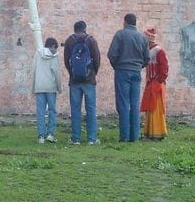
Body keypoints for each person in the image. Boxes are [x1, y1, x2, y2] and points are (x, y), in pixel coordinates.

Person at [107, 13, 150, 142]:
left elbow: (111, 54)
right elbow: (147, 58)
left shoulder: (120, 34)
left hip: (122, 71)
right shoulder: (142, 38)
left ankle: (124, 136)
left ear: (125, 22)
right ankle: (135, 136)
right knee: (135, 103)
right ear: (135, 23)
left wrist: (117, 66)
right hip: (136, 72)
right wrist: (139, 66)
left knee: (123, 103)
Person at [64, 20, 101, 145]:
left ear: (74, 29)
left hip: (74, 81)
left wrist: (72, 74)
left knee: (75, 109)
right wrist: (92, 73)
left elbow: (66, 61)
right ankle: (92, 138)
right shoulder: (91, 40)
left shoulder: (69, 41)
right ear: (85, 29)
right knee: (90, 109)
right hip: (89, 80)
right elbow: (97, 59)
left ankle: (76, 138)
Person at [139, 27, 169, 141]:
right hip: (150, 82)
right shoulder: (148, 50)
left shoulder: (158, 50)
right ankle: (149, 132)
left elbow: (164, 67)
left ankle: (158, 133)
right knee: (149, 107)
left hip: (156, 83)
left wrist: (160, 80)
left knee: (155, 107)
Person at [32, 37, 62, 144]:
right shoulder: (55, 56)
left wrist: (33, 87)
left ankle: (41, 136)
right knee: (52, 111)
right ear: (53, 46)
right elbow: (57, 73)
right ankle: (50, 134)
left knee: (40, 112)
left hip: (39, 86)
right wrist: (59, 87)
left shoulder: (37, 54)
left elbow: (34, 70)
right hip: (51, 87)